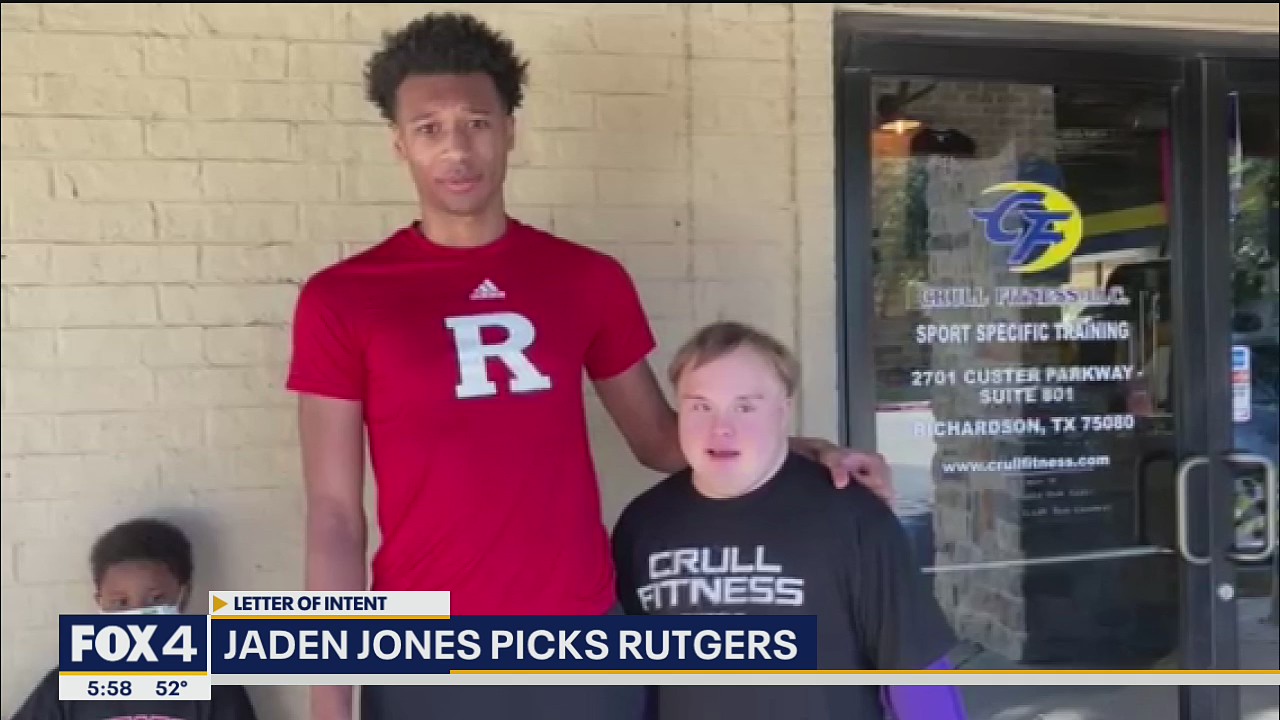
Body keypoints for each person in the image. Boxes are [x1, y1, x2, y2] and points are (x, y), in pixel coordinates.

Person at [285, 12, 892, 720]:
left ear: (510, 129)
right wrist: (328, 703)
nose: (457, 147)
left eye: (477, 121)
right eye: (429, 127)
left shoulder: (586, 278)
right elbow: (334, 517)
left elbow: (661, 441)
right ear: (399, 143)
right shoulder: (343, 298)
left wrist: (803, 451)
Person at [611, 321, 966, 720]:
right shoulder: (643, 525)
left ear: (783, 411)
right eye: (700, 405)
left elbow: (918, 675)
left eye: (745, 406)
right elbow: (629, 683)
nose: (721, 427)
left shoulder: (853, 518)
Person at [9, 518, 259, 720]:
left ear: (183, 595)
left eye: (155, 600)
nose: (137, 616)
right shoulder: (66, 686)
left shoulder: (215, 686)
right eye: (120, 603)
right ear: (100, 603)